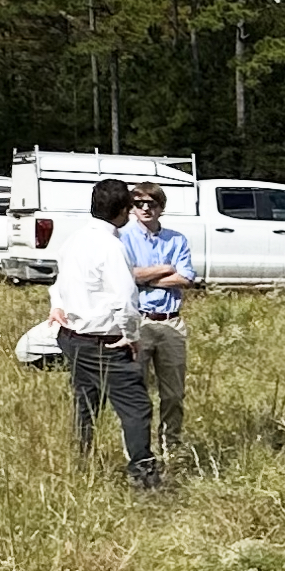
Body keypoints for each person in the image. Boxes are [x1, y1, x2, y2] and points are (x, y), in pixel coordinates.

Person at [45, 177, 159, 489]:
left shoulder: (75, 239)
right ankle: (143, 476)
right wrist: (132, 335)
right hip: (104, 341)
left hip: (71, 337)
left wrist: (57, 305)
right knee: (136, 407)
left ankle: (82, 464)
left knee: (86, 402)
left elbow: (60, 279)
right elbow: (125, 298)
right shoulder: (112, 247)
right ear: (124, 210)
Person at [120, 182, 196, 452]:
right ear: (131, 208)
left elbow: (186, 277)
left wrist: (145, 278)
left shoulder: (176, 239)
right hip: (138, 321)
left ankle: (171, 447)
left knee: (173, 393)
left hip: (170, 321)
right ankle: (138, 451)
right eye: (139, 204)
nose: (145, 208)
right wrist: (164, 269)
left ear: (161, 207)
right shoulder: (122, 237)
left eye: (151, 203)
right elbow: (126, 275)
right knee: (136, 392)